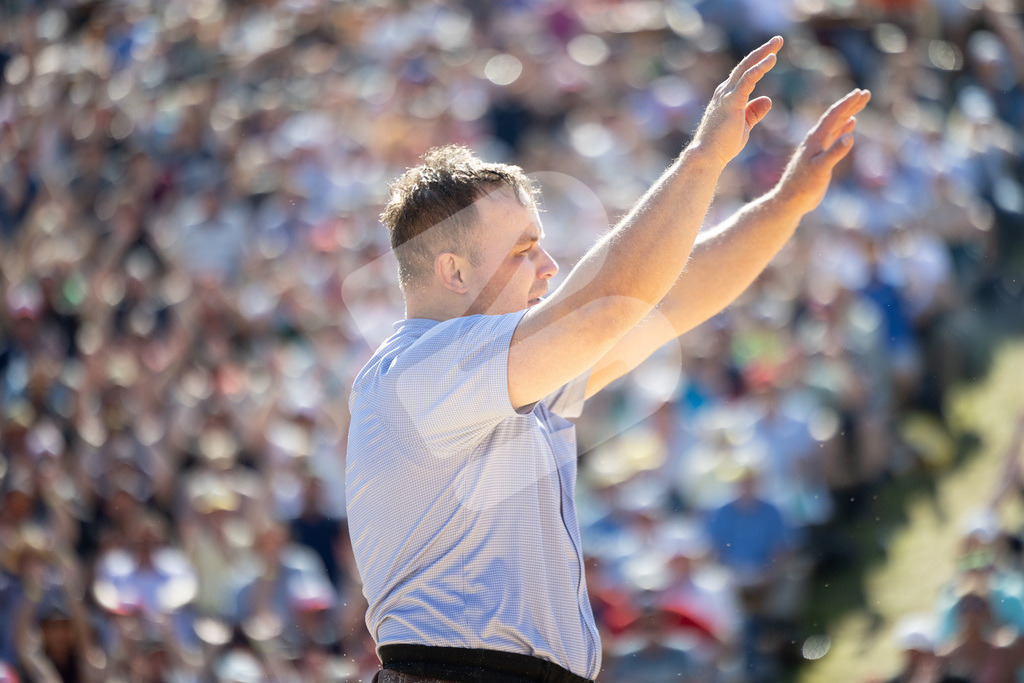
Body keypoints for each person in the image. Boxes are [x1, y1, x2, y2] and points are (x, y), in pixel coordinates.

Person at [346, 36, 871, 683]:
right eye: (524, 249)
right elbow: (609, 304)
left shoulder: (496, 372)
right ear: (452, 268)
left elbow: (669, 300)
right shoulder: (417, 371)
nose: (549, 265)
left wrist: (785, 203)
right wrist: (705, 157)